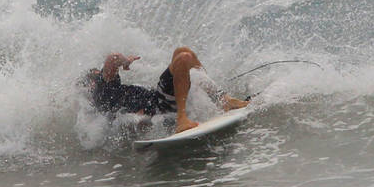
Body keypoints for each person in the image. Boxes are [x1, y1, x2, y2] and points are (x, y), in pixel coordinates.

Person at [78, 47, 248, 133]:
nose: (100, 73)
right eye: (96, 74)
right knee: (183, 57)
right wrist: (126, 62)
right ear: (92, 83)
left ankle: (223, 99)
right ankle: (183, 119)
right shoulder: (104, 92)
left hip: (162, 101)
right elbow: (113, 58)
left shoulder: (108, 97)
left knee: (183, 53)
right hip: (162, 106)